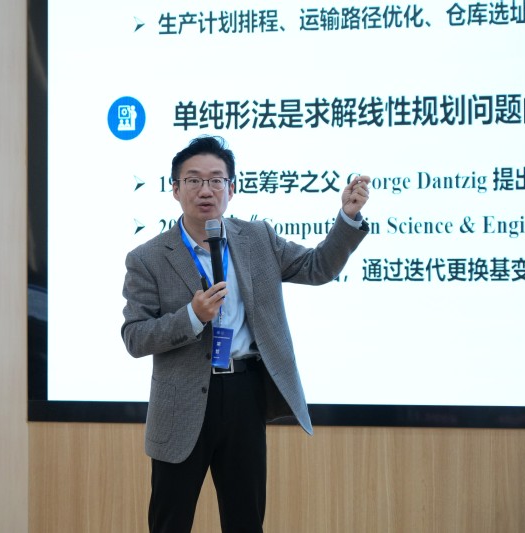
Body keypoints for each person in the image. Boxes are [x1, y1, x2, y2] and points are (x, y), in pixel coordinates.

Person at [121, 136, 370, 532]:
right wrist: (192, 317)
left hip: (244, 392)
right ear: (175, 189)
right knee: (170, 521)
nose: (206, 190)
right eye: (193, 180)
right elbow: (135, 336)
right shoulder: (148, 258)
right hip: (181, 402)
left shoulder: (257, 239)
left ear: (231, 189)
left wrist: (348, 218)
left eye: (216, 180)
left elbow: (318, 267)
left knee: (246, 519)